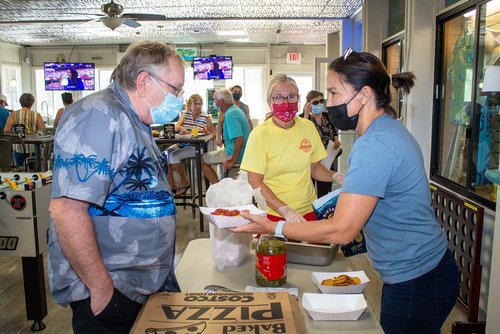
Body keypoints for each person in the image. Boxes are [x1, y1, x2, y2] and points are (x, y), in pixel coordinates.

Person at [231, 50, 459, 334]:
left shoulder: (375, 144)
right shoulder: (384, 132)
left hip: (418, 277)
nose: (329, 103)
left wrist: (275, 226)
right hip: (417, 272)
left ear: (363, 95)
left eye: (335, 92)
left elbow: (342, 231)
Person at [48, 40, 185, 333]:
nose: (178, 99)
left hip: (141, 283)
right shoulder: (97, 116)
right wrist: (102, 291)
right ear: (144, 81)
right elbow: (67, 210)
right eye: (175, 90)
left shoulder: (135, 119)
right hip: (114, 289)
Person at [237, 74, 343, 223]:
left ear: (298, 99)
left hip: (309, 210)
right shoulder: (260, 135)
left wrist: (335, 176)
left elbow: (315, 167)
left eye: (291, 96)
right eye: (279, 97)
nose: (286, 102)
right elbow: (255, 181)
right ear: (269, 102)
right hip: (275, 214)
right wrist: (285, 209)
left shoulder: (308, 126)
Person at [165, 93, 215, 196]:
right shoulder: (185, 114)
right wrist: (181, 128)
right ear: (190, 105)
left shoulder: (206, 117)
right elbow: (176, 127)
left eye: (200, 104)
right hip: (182, 144)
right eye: (195, 104)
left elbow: (213, 135)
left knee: (174, 156)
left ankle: (184, 183)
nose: (198, 106)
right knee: (165, 154)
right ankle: (172, 185)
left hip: (196, 147)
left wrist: (207, 132)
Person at [201, 88, 250, 184]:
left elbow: (239, 139)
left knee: (202, 160)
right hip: (242, 151)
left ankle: (219, 189)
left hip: (235, 153)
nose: (214, 102)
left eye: (215, 99)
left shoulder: (231, 114)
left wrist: (232, 160)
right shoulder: (235, 110)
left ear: (221, 101)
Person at [301, 90, 341, 197]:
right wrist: (306, 114)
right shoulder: (303, 119)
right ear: (308, 103)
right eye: (315, 102)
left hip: (328, 159)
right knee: (309, 193)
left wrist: (336, 139)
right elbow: (300, 135)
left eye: (321, 101)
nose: (319, 104)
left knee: (325, 193)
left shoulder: (327, 116)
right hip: (310, 162)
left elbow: (333, 130)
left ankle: (323, 212)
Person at [3, 93, 45, 166]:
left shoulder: (13, 114)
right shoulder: (36, 115)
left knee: (20, 169)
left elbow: (6, 130)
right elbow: (42, 131)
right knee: (34, 170)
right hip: (34, 147)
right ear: (32, 103)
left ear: (20, 102)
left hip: (19, 146)